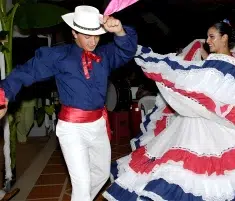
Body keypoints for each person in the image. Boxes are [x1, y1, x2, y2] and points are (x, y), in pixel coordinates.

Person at [103, 20, 235, 201]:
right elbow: (187, 77)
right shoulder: (212, 66)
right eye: (207, 37)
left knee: (217, 173)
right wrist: (146, 56)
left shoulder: (234, 68)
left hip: (223, 128)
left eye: (212, 36)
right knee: (183, 166)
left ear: (225, 38)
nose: (207, 40)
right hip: (196, 122)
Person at [0, 5, 137, 201]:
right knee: (81, 184)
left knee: (101, 174)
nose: (93, 41)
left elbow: (128, 50)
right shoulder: (59, 55)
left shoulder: (105, 55)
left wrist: (121, 31)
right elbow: (26, 71)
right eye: (87, 36)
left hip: (99, 125)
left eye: (97, 35)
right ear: (74, 32)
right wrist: (3, 93)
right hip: (72, 129)